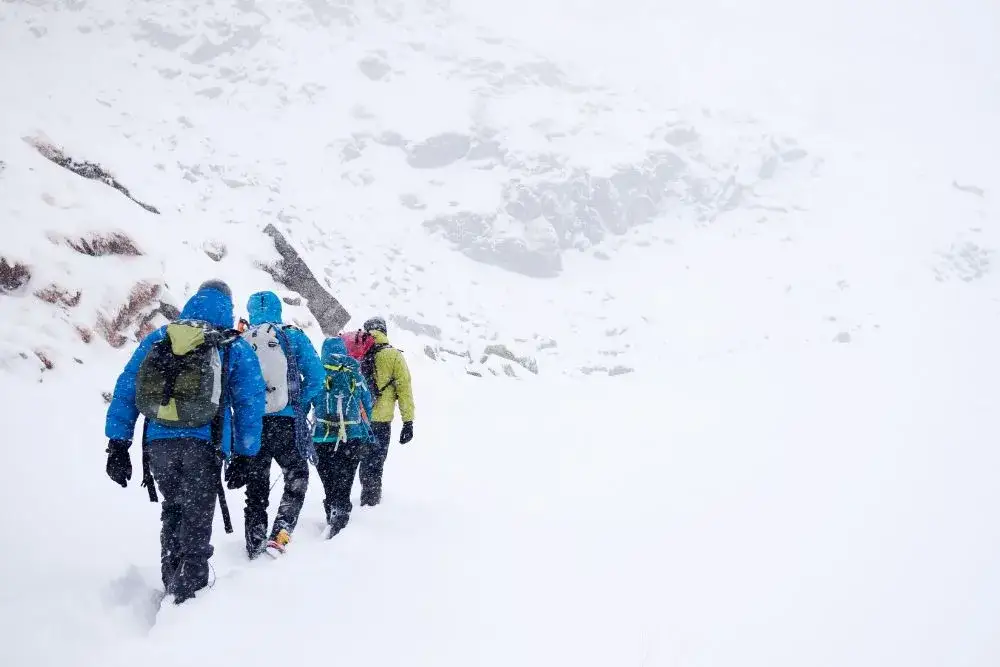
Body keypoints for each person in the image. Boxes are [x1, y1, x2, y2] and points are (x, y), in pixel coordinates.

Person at [104, 280, 265, 605]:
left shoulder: (161, 338)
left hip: (159, 445)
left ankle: (172, 582)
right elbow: (249, 401)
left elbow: (127, 387)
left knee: (174, 509)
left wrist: (118, 443)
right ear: (228, 307)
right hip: (203, 446)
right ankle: (186, 600)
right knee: (196, 518)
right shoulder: (231, 345)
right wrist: (246, 454)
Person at [234, 291, 324, 558]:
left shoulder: (242, 340)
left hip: (253, 426)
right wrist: (299, 403)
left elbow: (233, 386)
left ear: (251, 311)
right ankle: (280, 534)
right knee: (297, 478)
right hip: (287, 424)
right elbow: (317, 377)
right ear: (277, 309)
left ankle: (254, 542)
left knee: (256, 487)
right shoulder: (292, 336)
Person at [311, 336, 374, 537]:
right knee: (345, 480)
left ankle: (332, 509)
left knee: (329, 480)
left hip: (322, 437)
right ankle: (341, 514)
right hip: (351, 436)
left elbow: (306, 400)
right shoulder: (355, 374)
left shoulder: (318, 373)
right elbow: (368, 404)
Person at [355, 316, 415, 506]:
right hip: (381, 421)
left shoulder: (356, 351)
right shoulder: (394, 356)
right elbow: (404, 390)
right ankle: (371, 501)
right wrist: (408, 422)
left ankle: (349, 501)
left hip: (358, 419)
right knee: (375, 462)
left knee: (361, 461)